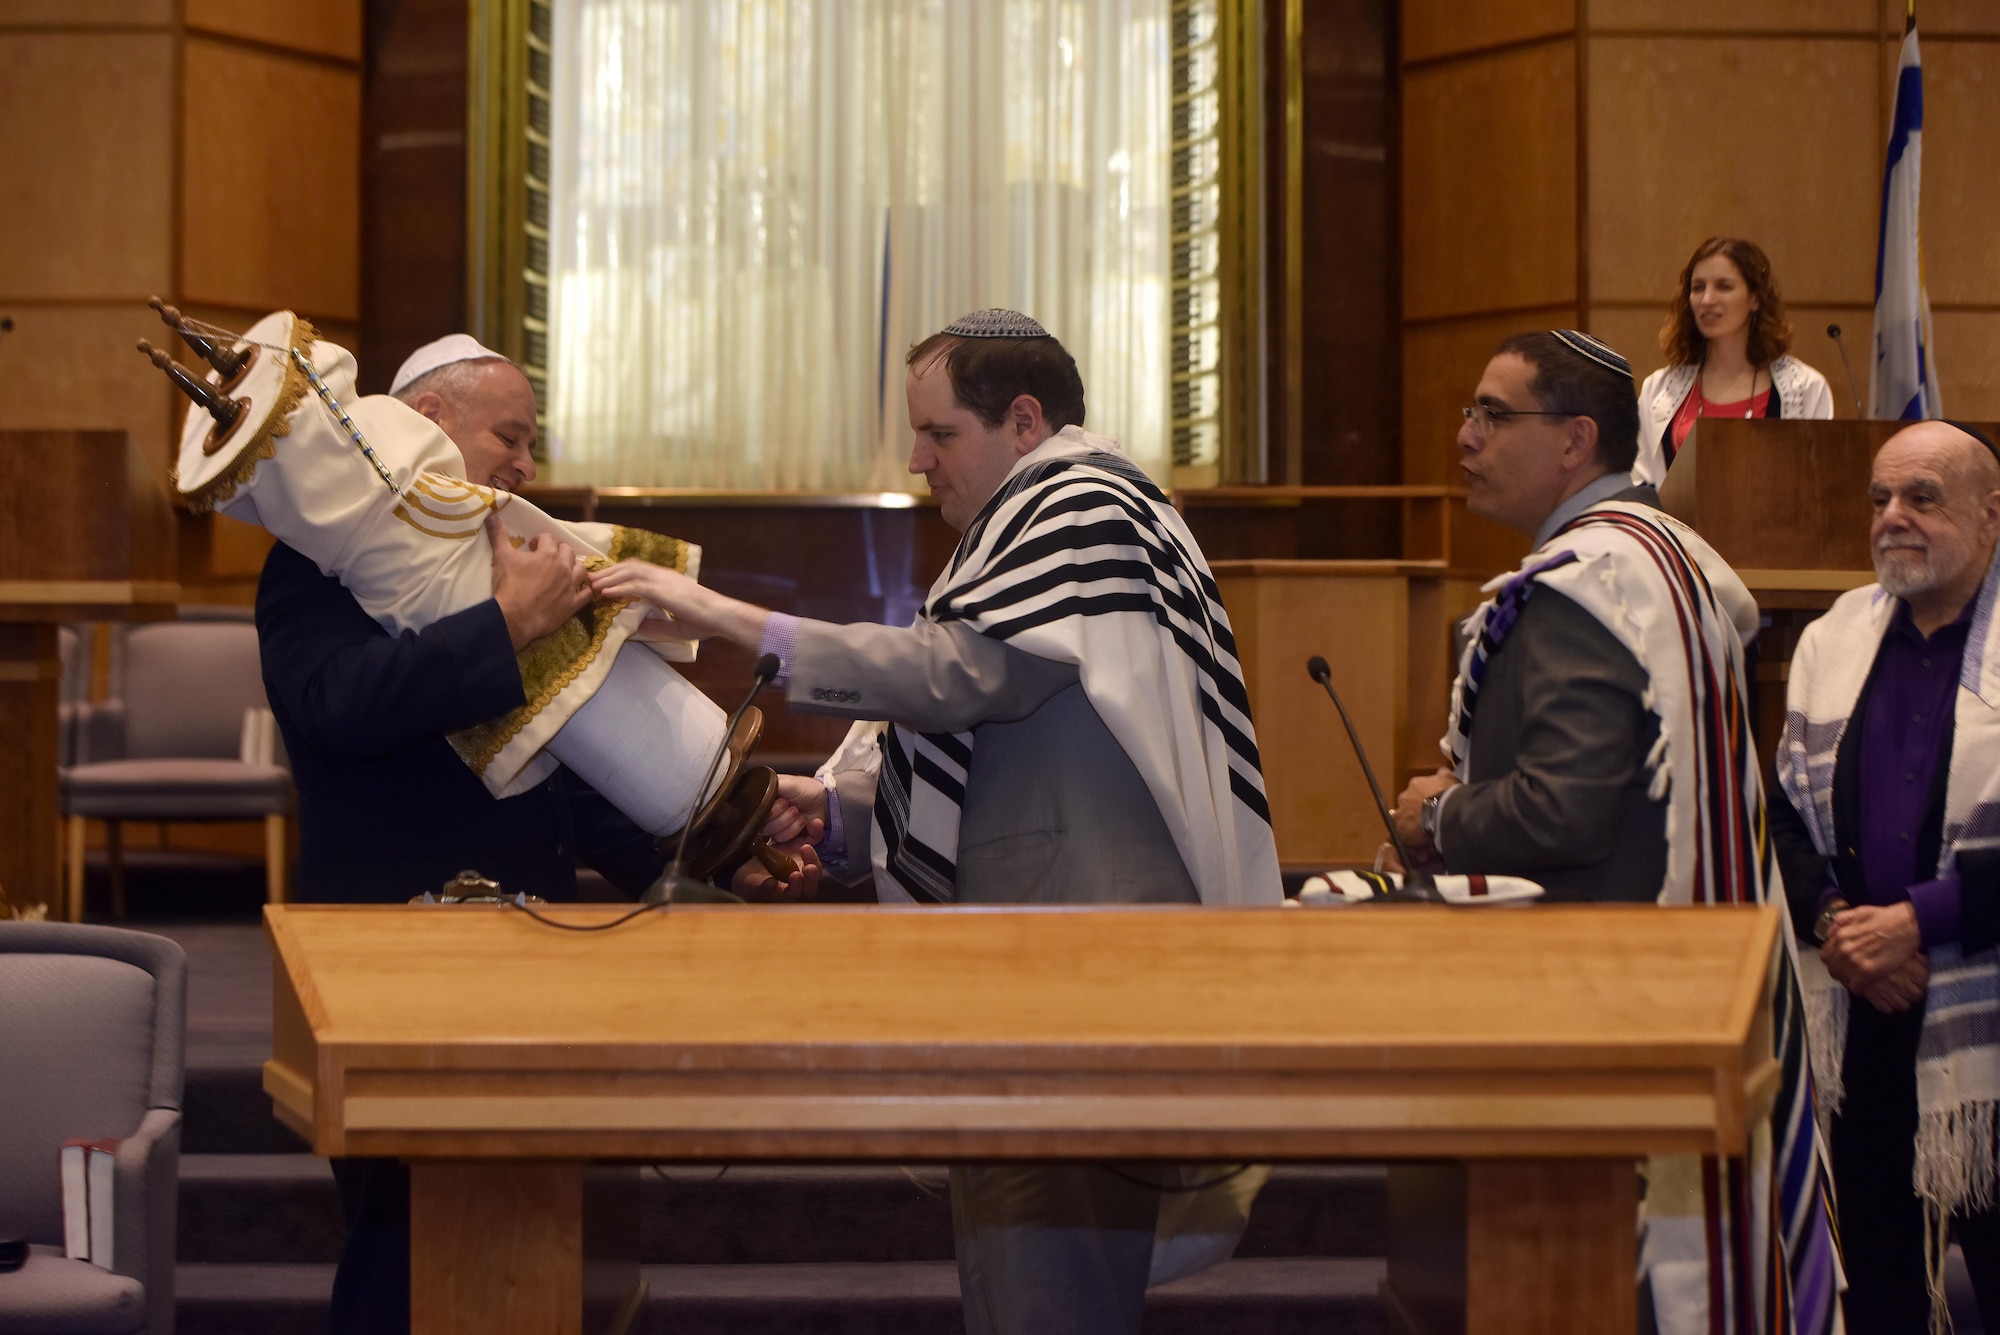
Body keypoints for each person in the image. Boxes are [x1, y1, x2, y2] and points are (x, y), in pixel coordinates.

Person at [592, 308, 1283, 1335]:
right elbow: (993, 752)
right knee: (1023, 1283)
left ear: (1022, 419)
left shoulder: (1081, 502)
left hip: (1081, 971)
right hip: (1041, 957)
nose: (916, 461)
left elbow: (961, 679)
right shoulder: (1038, 515)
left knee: (1049, 1294)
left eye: (938, 434)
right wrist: (834, 813)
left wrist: (729, 620)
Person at [256, 336, 815, 1335]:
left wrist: (712, 856)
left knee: (544, 1232)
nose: (523, 466)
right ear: (426, 418)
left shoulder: (511, 564)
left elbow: (570, 768)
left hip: (533, 951)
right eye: (508, 438)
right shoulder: (317, 558)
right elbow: (335, 712)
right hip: (385, 954)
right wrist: (501, 630)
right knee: (404, 1240)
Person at [1389, 330, 1837, 1335]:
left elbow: (1563, 808)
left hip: (1593, 1008)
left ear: (1573, 439)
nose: (1462, 436)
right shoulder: (1659, 556)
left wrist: (1438, 818)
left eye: (1489, 415)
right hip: (1673, 976)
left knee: (1610, 1289)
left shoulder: (1581, 587)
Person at [1771, 419, 2000, 1332]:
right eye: (1879, 499)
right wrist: (1837, 924)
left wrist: (1920, 918)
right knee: (1876, 1285)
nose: (1893, 518)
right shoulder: (1837, 637)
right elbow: (1778, 811)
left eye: (1922, 498)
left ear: (1991, 515)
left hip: (1986, 1016)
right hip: (1866, 1009)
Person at [1635, 237, 1834, 503]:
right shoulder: (1659, 389)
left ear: (1755, 298)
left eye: (1724, 286)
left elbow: (1816, 484)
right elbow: (1639, 482)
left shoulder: (1805, 387)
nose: (1707, 299)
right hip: (1676, 540)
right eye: (1698, 288)